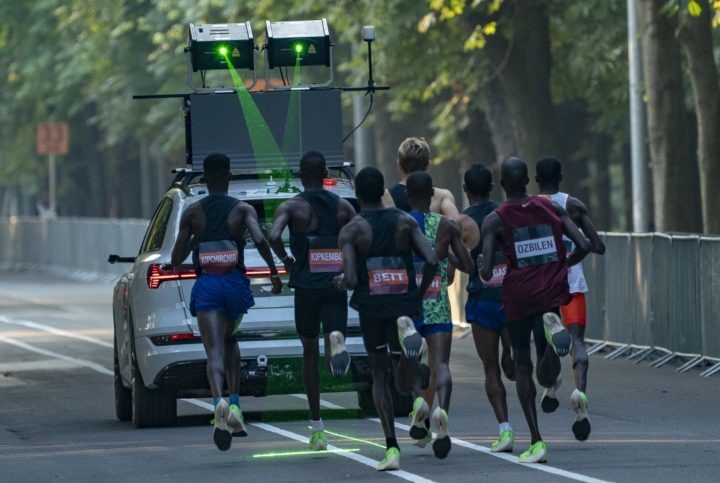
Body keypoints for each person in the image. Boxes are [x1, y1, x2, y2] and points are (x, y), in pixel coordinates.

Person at [478, 157, 590, 463]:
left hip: (520, 295)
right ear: (528, 180)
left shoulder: (495, 219)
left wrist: (482, 264)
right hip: (550, 291)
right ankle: (551, 338)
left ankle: (537, 441)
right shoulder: (551, 207)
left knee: (522, 364)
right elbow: (583, 244)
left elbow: (486, 272)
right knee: (545, 366)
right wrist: (562, 264)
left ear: (502, 185)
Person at [170, 152, 282, 451]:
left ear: (205, 179)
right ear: (230, 176)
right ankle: (235, 405)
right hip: (234, 284)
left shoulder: (193, 212)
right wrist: (273, 272)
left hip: (207, 285)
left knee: (214, 350)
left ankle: (217, 401)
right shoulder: (242, 209)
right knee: (231, 339)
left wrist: (196, 241)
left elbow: (177, 257)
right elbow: (260, 240)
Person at [335, 167, 438, 471]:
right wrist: (417, 295)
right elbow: (432, 260)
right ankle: (418, 399)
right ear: (383, 192)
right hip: (402, 302)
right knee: (403, 373)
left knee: (380, 375)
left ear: (357, 195)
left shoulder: (352, 230)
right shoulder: (405, 221)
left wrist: (338, 282)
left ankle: (391, 446)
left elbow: (351, 279)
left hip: (372, 307)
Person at [268, 150, 357, 451]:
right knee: (333, 339)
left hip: (306, 286)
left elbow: (273, 235)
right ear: (326, 174)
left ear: (300, 175)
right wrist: (349, 265)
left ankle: (317, 426)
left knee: (308, 351)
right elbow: (362, 234)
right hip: (335, 284)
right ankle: (335, 343)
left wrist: (286, 259)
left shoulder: (292, 206)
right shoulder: (343, 206)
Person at [535, 156, 606, 441]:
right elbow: (596, 245)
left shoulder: (528, 207)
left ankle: (551, 384)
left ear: (535, 180)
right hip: (572, 283)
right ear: (561, 177)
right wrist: (569, 260)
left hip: (542, 285)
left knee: (549, 345)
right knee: (576, 341)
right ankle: (580, 394)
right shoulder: (574, 205)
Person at [404, 171, 474, 459]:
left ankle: (418, 405)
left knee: (409, 362)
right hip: (437, 303)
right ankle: (441, 411)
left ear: (408, 195)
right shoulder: (446, 225)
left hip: (410, 302)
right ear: (432, 194)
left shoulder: (402, 223)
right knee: (441, 364)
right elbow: (468, 265)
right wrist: (449, 256)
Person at [461, 163, 516, 453]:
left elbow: (461, 262)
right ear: (493, 188)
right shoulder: (505, 214)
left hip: (481, 297)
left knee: (490, 368)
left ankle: (504, 429)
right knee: (517, 363)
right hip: (509, 295)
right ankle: (511, 351)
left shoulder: (463, 221)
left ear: (465, 190)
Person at [384, 137, 460, 218]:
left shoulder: (385, 196)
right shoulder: (442, 195)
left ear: (398, 165)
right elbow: (456, 220)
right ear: (428, 165)